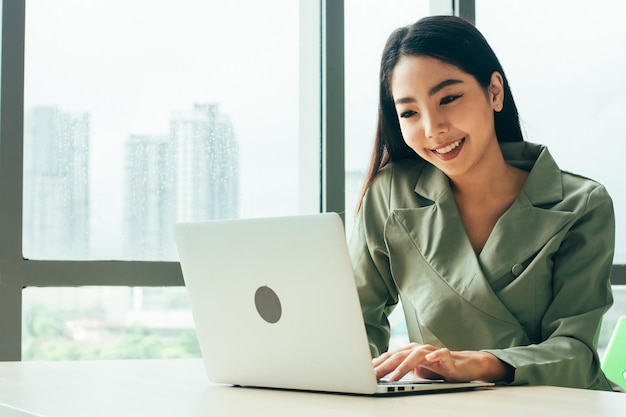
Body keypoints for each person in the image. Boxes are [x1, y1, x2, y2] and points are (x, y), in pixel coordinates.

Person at [349, 15, 620, 391]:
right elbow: (353, 323)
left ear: (494, 91)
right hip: (444, 407)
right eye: (410, 112)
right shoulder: (390, 194)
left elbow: (576, 354)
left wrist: (481, 363)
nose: (433, 128)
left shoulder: (582, 204)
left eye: (448, 98)